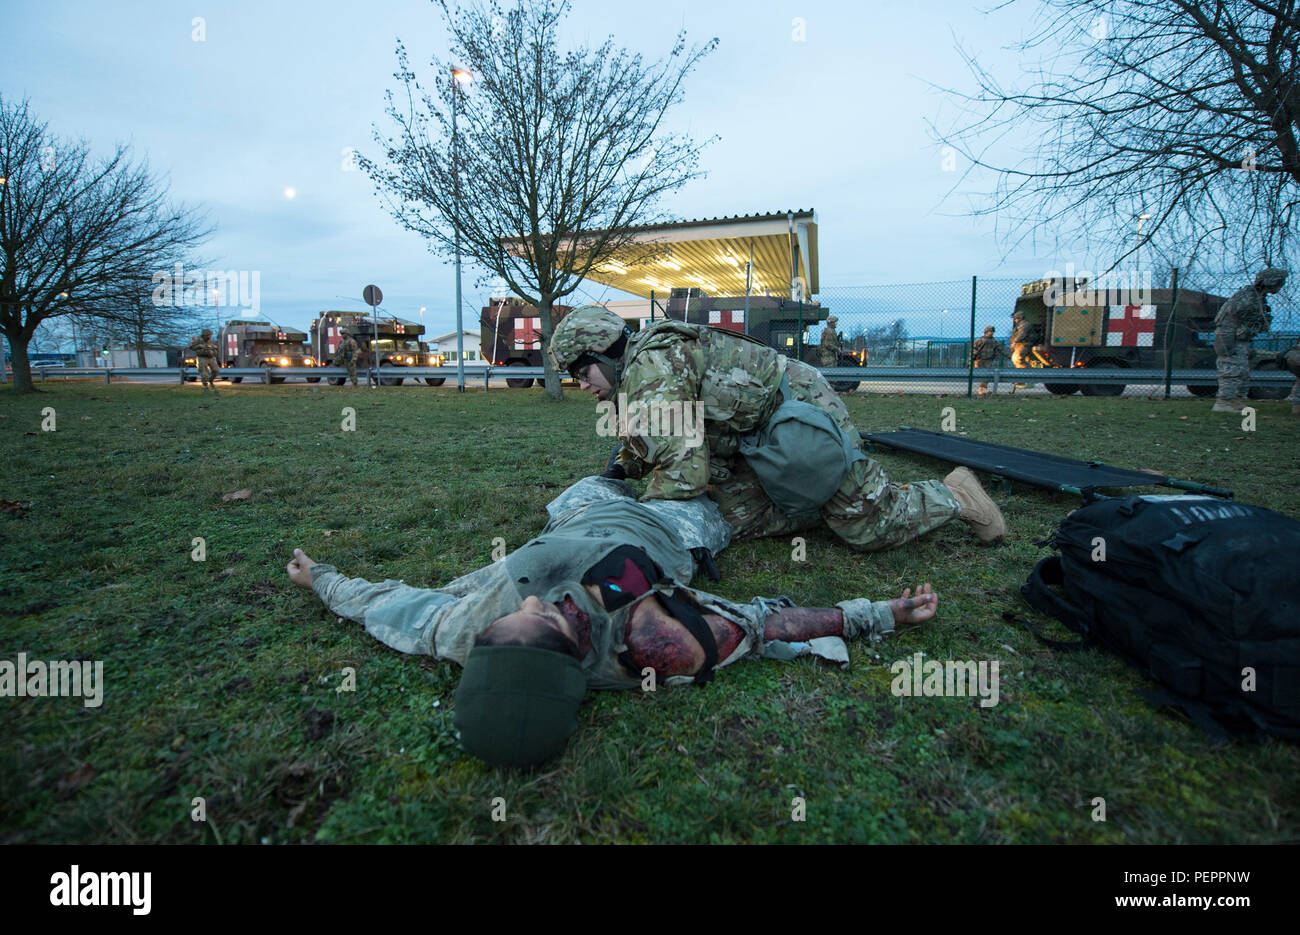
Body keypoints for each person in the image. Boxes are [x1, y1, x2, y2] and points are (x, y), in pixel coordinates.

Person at [285, 476, 938, 767]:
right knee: (755, 491)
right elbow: (768, 624)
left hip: (576, 508)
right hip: (670, 523)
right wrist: (877, 614)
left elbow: (387, 604)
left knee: (605, 472)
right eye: (547, 621)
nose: (531, 605)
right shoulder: (655, 644)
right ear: (574, 657)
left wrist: (321, 579)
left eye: (511, 618)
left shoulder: (464, 631)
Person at [547, 306, 1006, 552]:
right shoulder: (642, 370)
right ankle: (819, 502)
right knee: (735, 516)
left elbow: (683, 477)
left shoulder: (651, 370)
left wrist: (629, 518)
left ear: (605, 352)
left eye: (582, 372)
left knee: (868, 528)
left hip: (800, 413)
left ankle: (957, 496)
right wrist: (626, 468)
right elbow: (660, 437)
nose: (581, 384)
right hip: (756, 430)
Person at [1213, 267, 1287, 413]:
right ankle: (1223, 402)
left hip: (1239, 338)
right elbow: (1240, 315)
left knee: (1242, 371)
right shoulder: (1247, 297)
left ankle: (1235, 400)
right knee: (1231, 369)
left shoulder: (1257, 297)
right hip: (1230, 337)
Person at [971, 325, 1010, 396]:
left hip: (989, 360)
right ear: (986, 332)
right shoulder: (980, 341)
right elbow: (974, 350)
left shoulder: (994, 341)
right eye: (990, 331)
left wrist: (1010, 356)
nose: (991, 333)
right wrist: (972, 359)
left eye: (992, 331)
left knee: (986, 375)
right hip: (979, 360)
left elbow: (1002, 350)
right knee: (981, 375)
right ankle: (982, 389)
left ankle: (983, 389)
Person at [187, 329, 220, 395]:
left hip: (211, 357)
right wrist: (199, 346)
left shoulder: (210, 341)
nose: (209, 336)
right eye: (208, 335)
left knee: (216, 370)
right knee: (204, 374)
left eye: (210, 335)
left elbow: (215, 347)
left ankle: (211, 380)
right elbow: (191, 347)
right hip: (202, 357)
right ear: (204, 335)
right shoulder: (198, 340)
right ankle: (205, 386)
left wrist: (213, 348)